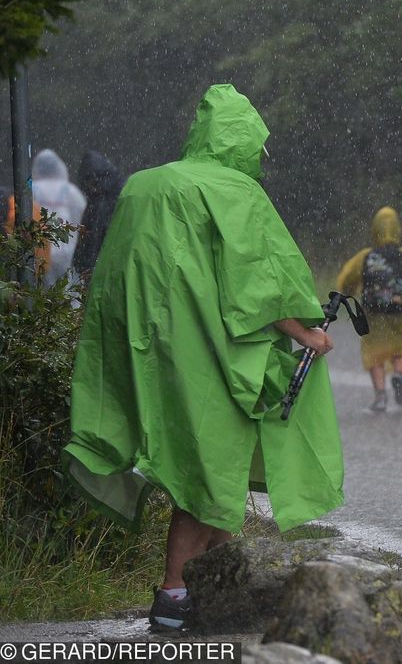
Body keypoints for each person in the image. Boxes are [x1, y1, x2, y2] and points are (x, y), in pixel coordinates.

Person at [63, 84, 345, 632]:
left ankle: (212, 586)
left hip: (145, 351)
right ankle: (174, 596)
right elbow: (256, 282)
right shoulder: (233, 189)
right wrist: (305, 333)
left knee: (201, 466)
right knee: (210, 471)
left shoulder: (144, 185)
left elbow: (112, 270)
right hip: (208, 353)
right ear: (243, 141)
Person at [336, 206, 402, 412]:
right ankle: (398, 375)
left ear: (374, 229)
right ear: (398, 229)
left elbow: (346, 280)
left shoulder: (365, 257)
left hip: (372, 313)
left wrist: (347, 292)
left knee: (373, 352)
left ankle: (380, 396)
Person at [70, 150, 127, 285]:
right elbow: (89, 234)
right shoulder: (98, 199)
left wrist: (84, 263)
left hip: (107, 267)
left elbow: (93, 234)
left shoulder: (108, 199)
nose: (90, 187)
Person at [31, 148, 86, 286]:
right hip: (67, 252)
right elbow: (82, 217)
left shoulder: (32, 189)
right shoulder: (70, 190)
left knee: (43, 293)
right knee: (68, 292)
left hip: (41, 251)